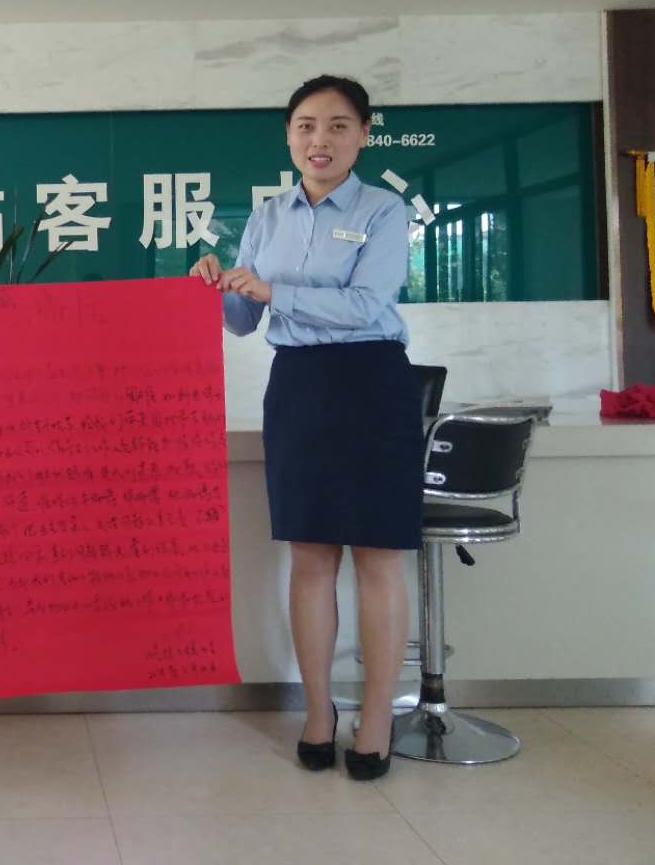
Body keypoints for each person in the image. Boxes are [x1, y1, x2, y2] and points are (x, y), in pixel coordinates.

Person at [191, 75, 419, 781]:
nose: (320, 140)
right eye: (306, 126)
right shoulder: (267, 216)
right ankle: (318, 713)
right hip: (297, 387)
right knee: (311, 555)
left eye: (338, 125)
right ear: (289, 136)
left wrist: (273, 289)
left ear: (364, 134)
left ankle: (375, 719)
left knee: (378, 557)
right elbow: (245, 320)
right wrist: (216, 288)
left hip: (373, 383)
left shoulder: (384, 210)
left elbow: (367, 303)